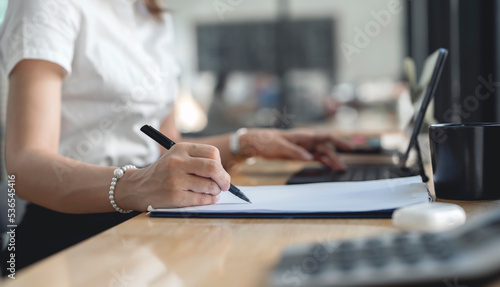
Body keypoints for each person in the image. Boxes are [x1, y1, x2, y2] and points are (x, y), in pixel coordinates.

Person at [0, 0, 351, 272]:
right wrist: (134, 184)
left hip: (145, 228)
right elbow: (24, 165)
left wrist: (247, 142)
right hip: (70, 239)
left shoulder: (154, 15)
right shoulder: (48, 6)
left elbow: (167, 150)